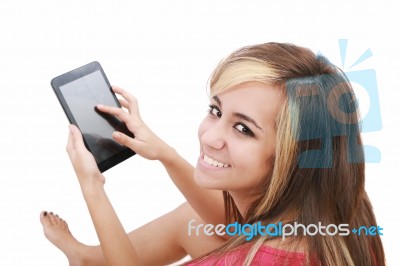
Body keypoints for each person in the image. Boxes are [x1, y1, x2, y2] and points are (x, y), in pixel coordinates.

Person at [40, 42, 385, 265]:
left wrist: (92, 185)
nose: (210, 137)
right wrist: (165, 154)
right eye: (216, 111)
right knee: (191, 218)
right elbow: (240, 227)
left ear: (292, 158)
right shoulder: (339, 209)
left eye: (243, 128)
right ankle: (87, 257)